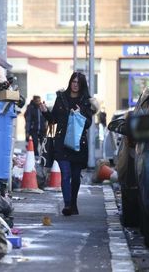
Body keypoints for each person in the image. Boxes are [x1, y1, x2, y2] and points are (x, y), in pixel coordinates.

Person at [39, 72, 99, 216]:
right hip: (61, 143)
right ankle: (67, 205)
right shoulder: (61, 98)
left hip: (78, 144)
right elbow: (53, 119)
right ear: (70, 82)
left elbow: (89, 123)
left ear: (82, 84)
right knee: (65, 174)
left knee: (76, 176)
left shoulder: (86, 101)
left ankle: (73, 203)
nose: (75, 85)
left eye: (78, 82)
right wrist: (45, 112)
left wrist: (80, 115)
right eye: (73, 81)